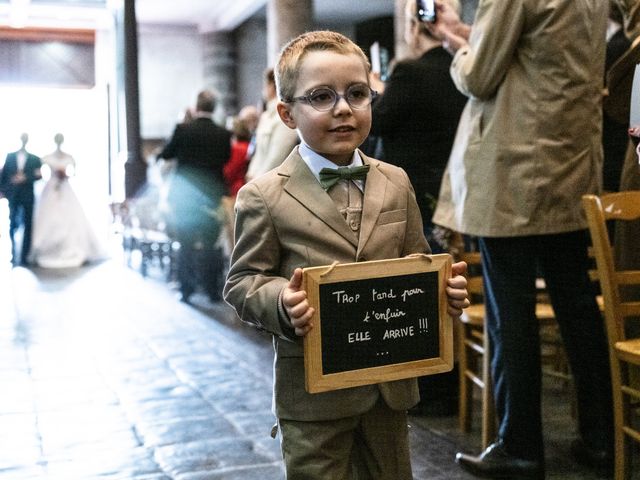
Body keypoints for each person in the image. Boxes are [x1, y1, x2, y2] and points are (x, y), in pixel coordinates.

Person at [224, 30, 470, 479]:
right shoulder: (264, 195)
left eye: (357, 94)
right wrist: (281, 301)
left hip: (389, 387)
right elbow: (242, 282)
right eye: (321, 97)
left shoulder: (396, 180)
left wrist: (443, 293)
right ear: (287, 113)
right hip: (314, 396)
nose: (343, 108)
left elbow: (415, 264)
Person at [429, 1, 613, 478]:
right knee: (578, 304)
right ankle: (601, 438)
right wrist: (469, 32)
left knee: (509, 311)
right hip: (569, 160)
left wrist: (455, 43)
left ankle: (520, 445)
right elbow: (537, 48)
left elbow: (479, 76)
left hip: (514, 165)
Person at [158, 89, 232, 303]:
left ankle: (186, 290)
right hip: (211, 196)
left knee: (186, 244)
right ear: (214, 108)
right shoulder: (222, 134)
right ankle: (212, 291)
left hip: (184, 198)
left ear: (196, 106)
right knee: (211, 245)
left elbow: (167, 154)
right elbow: (225, 158)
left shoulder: (183, 130)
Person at [29, 133, 106, 268]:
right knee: (49, 217)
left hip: (65, 189)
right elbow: (38, 174)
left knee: (71, 218)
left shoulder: (69, 157)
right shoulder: (47, 158)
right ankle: (45, 249)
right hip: (51, 189)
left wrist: (65, 175)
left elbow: (74, 173)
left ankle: (74, 249)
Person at [244, 68, 299, 181]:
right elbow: (259, 153)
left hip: (272, 182)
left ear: (272, 86)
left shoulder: (284, 116)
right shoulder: (266, 116)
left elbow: (276, 157)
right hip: (257, 179)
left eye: (265, 85)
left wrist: (258, 181)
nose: (263, 90)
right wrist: (251, 173)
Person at [0, 132, 41, 266]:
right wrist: (2, 191)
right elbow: (4, 175)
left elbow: (38, 176)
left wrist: (25, 178)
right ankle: (14, 253)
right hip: (13, 194)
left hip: (27, 194)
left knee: (28, 224)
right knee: (12, 223)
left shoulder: (35, 158)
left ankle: (24, 255)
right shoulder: (10, 156)